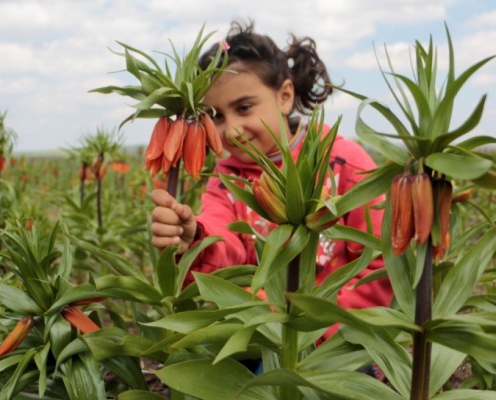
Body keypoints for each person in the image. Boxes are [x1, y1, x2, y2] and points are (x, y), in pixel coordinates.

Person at [149, 20, 392, 316]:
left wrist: (328, 327)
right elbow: (225, 238)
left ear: (284, 96)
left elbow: (380, 261)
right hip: (263, 327)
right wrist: (196, 236)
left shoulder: (343, 161)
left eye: (244, 108)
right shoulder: (229, 177)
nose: (232, 130)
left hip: (341, 333)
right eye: (216, 116)